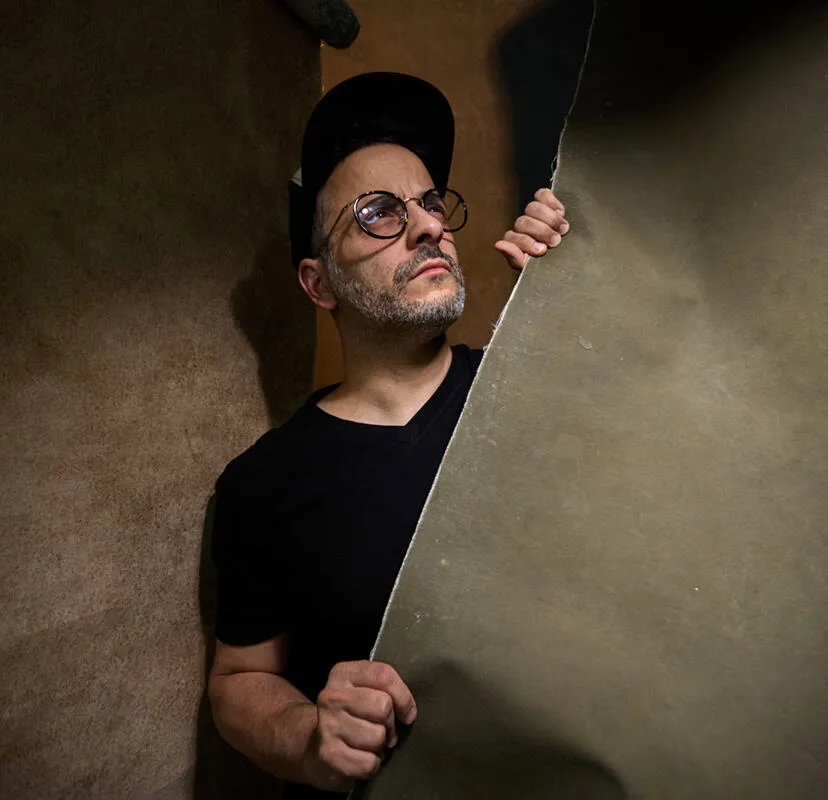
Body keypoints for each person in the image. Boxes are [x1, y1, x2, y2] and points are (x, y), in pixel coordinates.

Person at [208, 71, 569, 798]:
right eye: (378, 213)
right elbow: (240, 681)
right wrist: (310, 737)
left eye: (430, 202)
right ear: (319, 284)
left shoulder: (540, 388)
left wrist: (581, 305)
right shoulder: (264, 483)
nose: (429, 224)